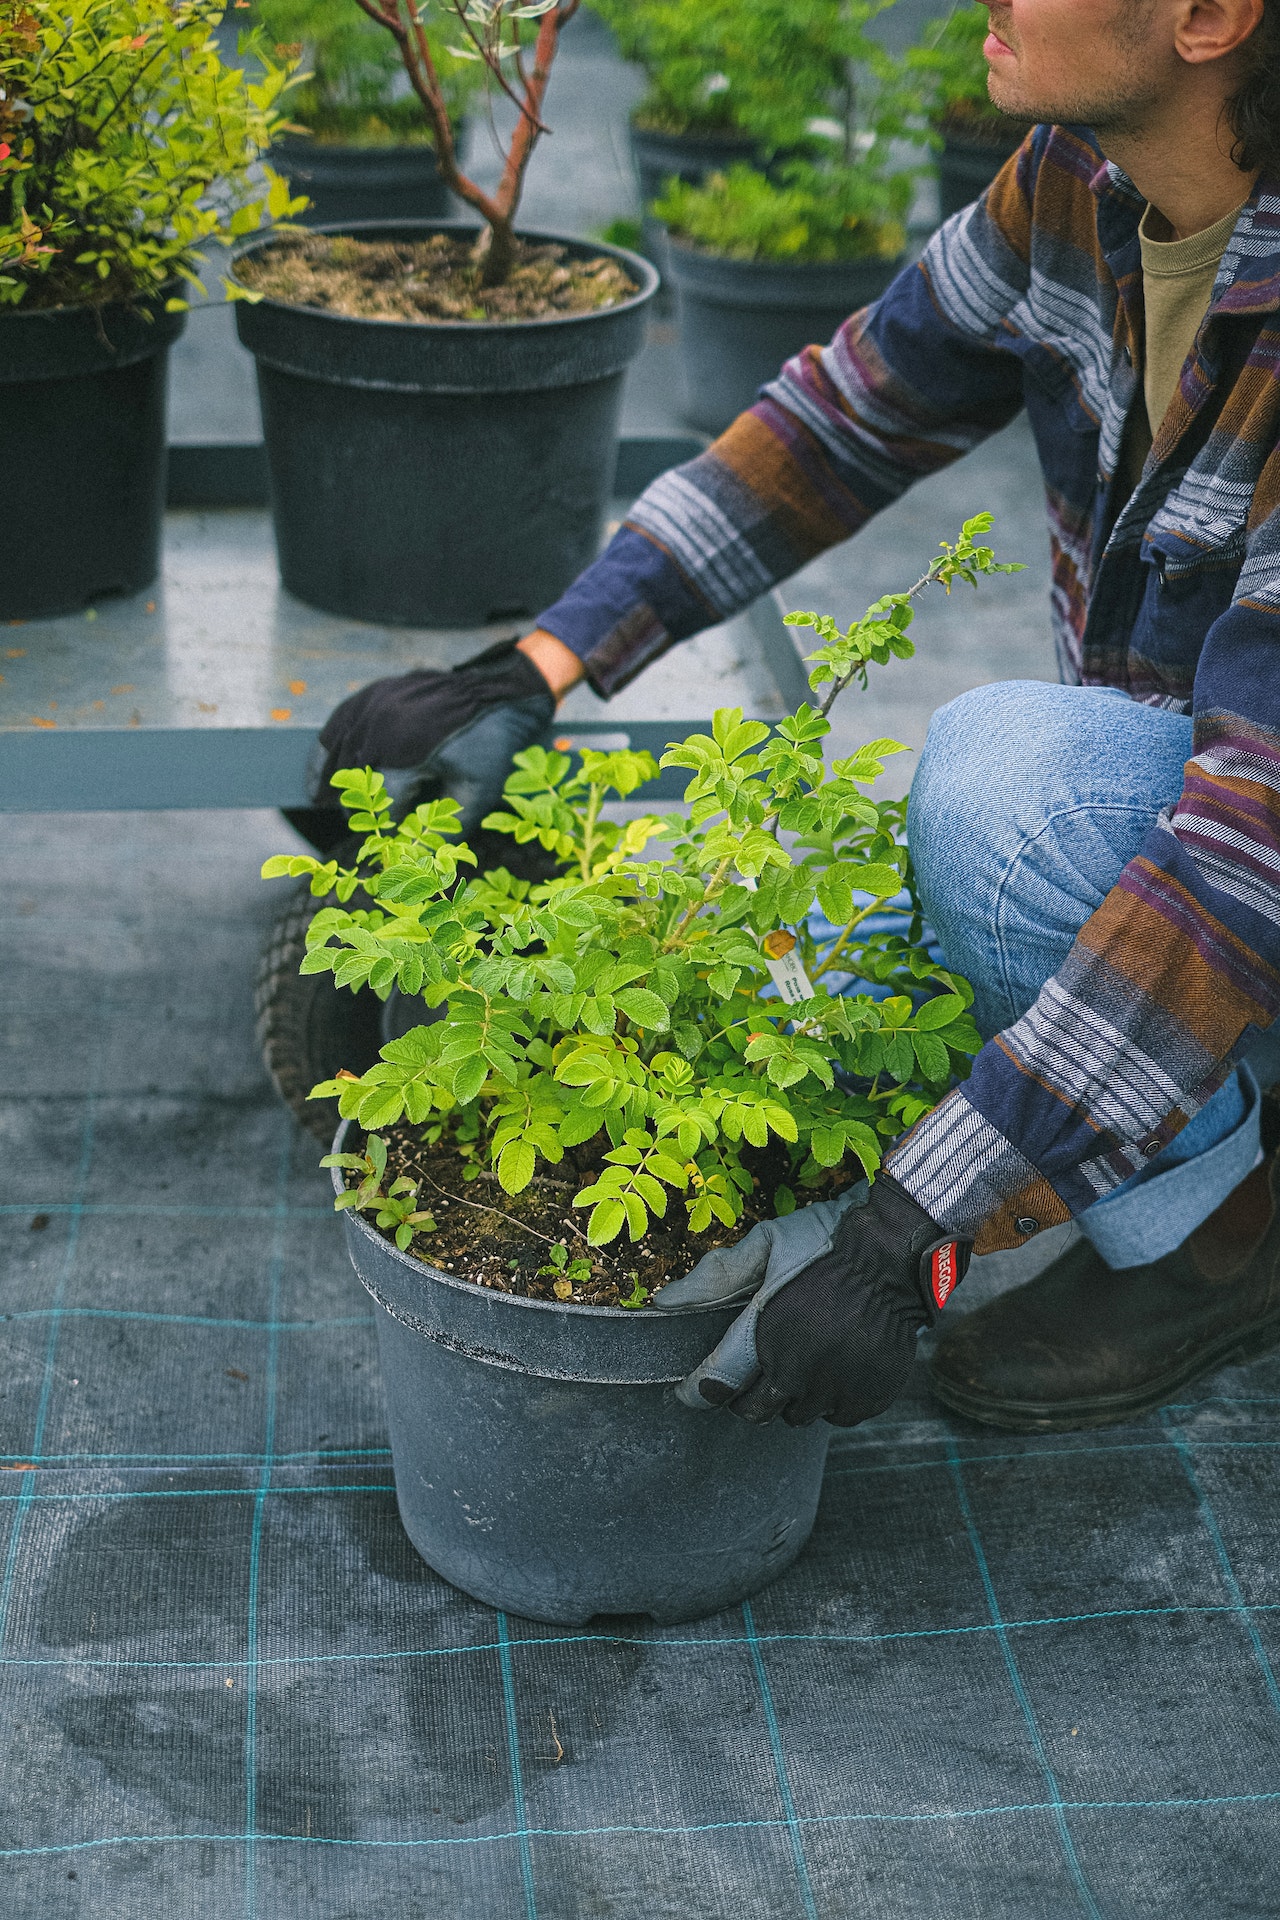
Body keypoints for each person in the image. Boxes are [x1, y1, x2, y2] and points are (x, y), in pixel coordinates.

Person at [311, 0, 1280, 1434]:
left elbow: (1237, 858)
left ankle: (1226, 1241)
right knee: (767, 977)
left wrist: (913, 1232)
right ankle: (1177, 1128)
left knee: (1005, 805)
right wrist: (540, 666)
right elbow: (846, 413)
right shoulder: (1083, 182)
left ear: (1208, 20)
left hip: (1242, 861)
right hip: (1203, 843)